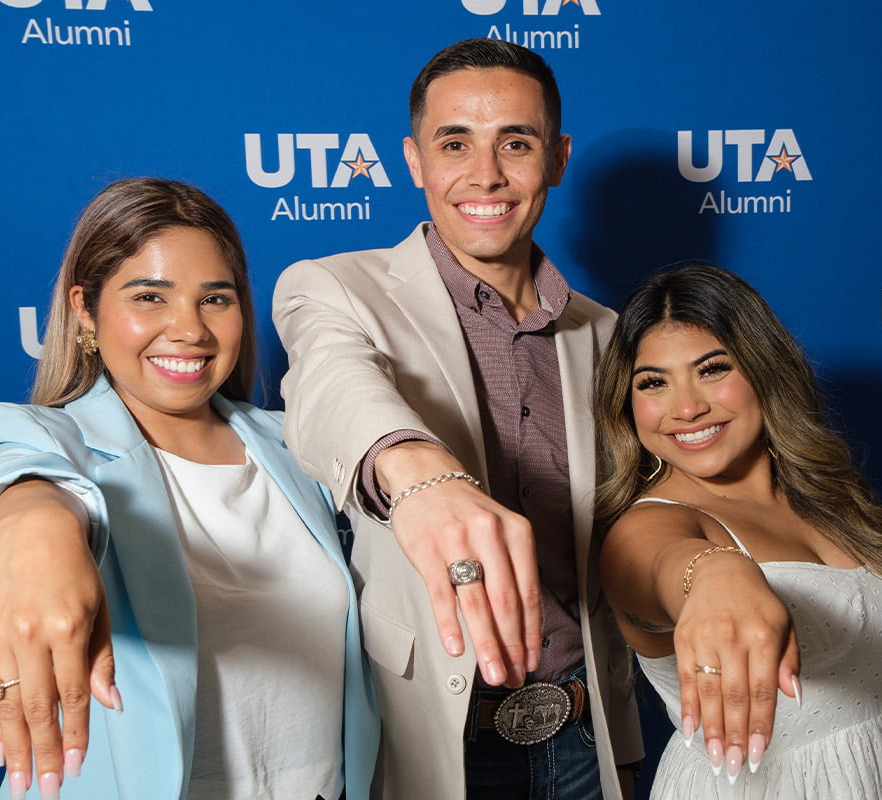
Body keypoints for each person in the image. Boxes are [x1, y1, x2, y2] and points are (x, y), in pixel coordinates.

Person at [271, 39, 651, 799]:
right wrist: (418, 474)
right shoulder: (335, 288)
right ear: (414, 160)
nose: (485, 174)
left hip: (585, 733)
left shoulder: (609, 334)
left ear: (557, 159)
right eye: (455, 144)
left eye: (516, 143)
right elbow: (332, 385)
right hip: (431, 734)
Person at [0, 178, 378, 800]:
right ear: (84, 310)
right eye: (150, 296)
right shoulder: (41, 437)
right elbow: (15, 473)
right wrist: (38, 526)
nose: (189, 329)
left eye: (215, 299)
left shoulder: (295, 442)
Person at [592, 264, 882, 798]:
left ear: (764, 369)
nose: (686, 408)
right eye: (653, 382)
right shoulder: (646, 525)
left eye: (713, 370)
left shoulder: (830, 501)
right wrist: (714, 575)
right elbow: (659, 561)